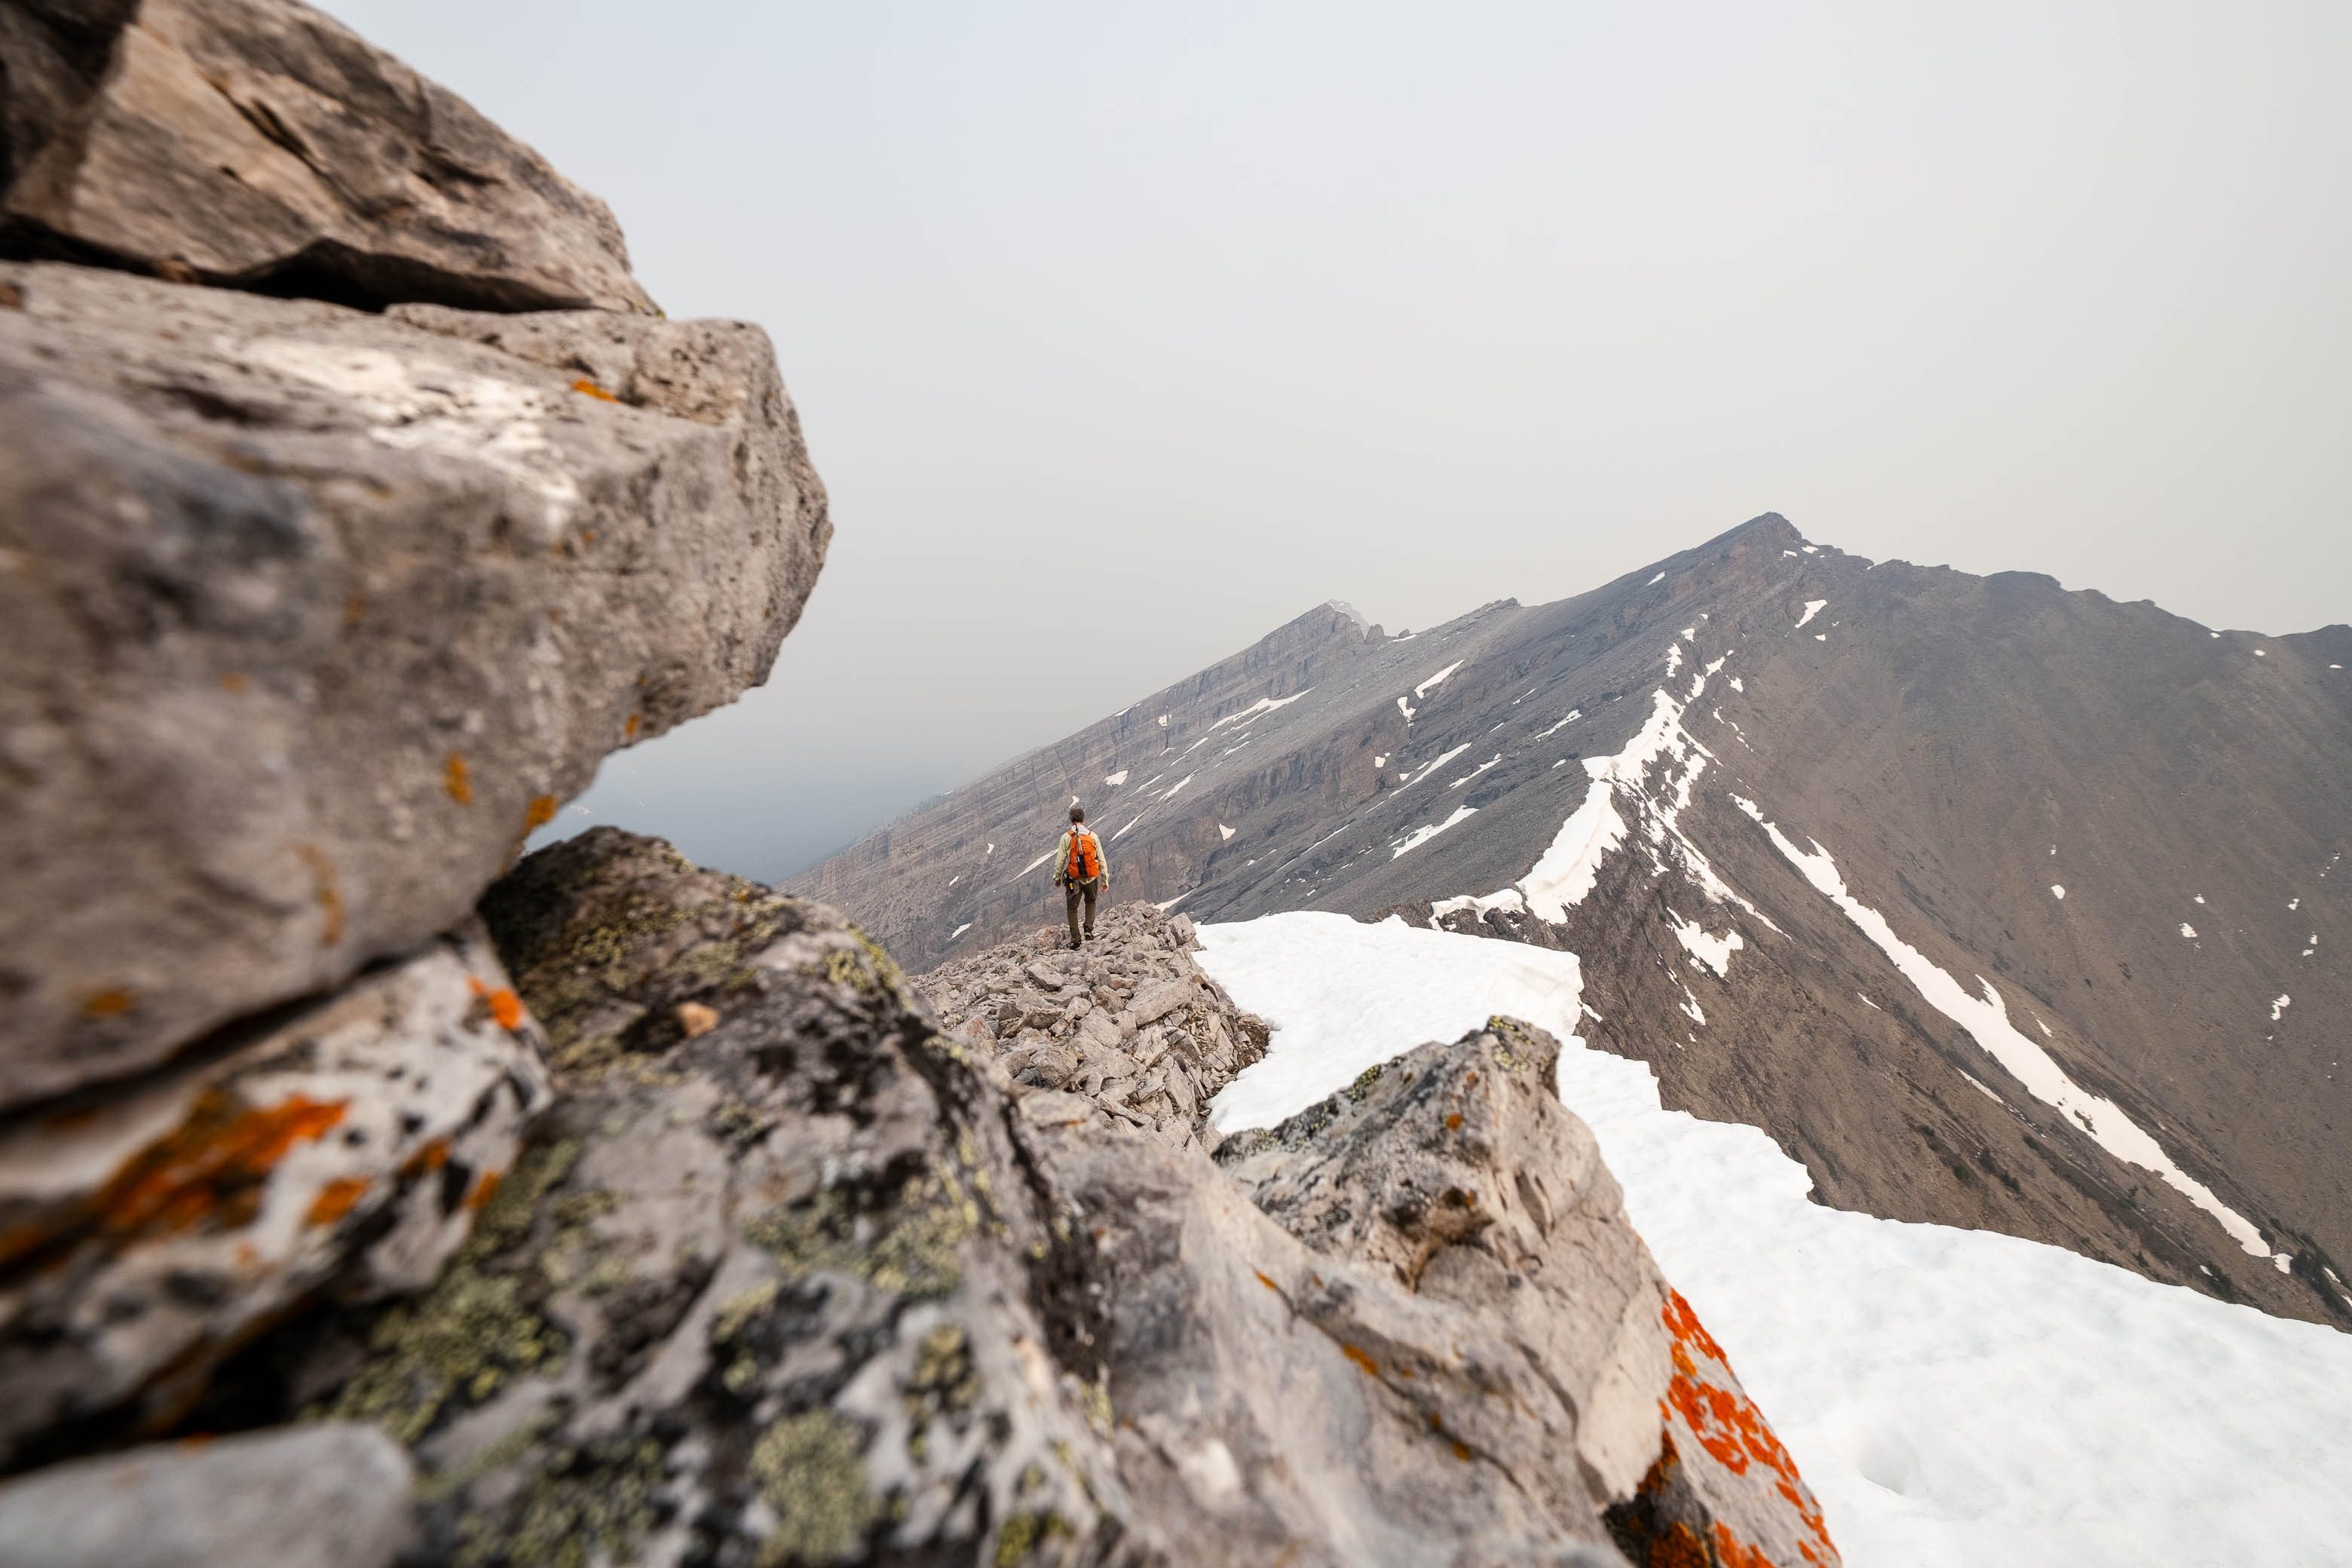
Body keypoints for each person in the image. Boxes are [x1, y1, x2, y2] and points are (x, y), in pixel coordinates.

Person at [1052, 804, 1108, 948]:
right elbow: (1101, 859)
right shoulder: (1093, 836)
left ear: (1071, 821)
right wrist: (1105, 880)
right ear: (1084, 820)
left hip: (1074, 879)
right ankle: (1088, 928)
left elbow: (1060, 861)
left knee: (1072, 909)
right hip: (1091, 878)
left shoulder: (1066, 837)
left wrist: (1057, 878)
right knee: (1091, 901)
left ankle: (1076, 939)